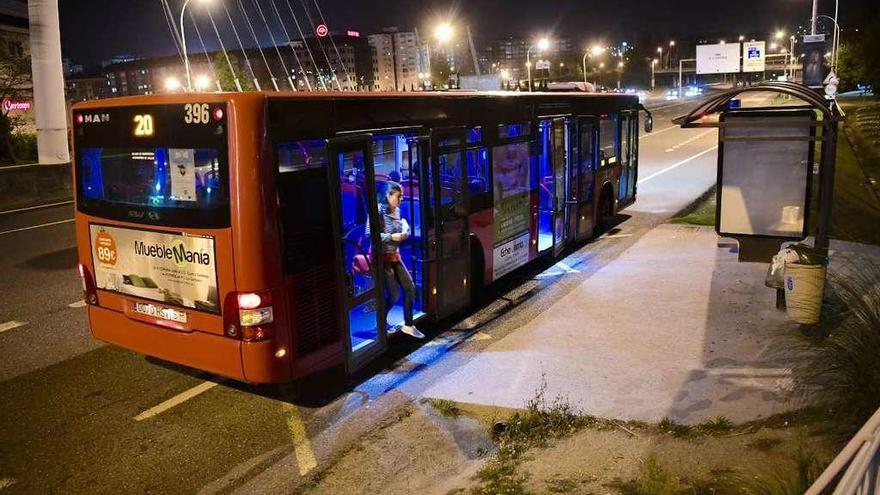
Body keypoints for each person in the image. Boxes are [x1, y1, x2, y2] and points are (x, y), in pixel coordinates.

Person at [366, 181, 424, 339]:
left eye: (402, 196)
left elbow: (398, 229)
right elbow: (370, 235)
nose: (401, 199)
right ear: (388, 195)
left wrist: (404, 229)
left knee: (410, 287)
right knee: (393, 294)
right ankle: (381, 322)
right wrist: (392, 236)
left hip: (394, 255)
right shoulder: (377, 211)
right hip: (381, 258)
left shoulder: (397, 210)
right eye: (399, 196)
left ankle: (409, 325)